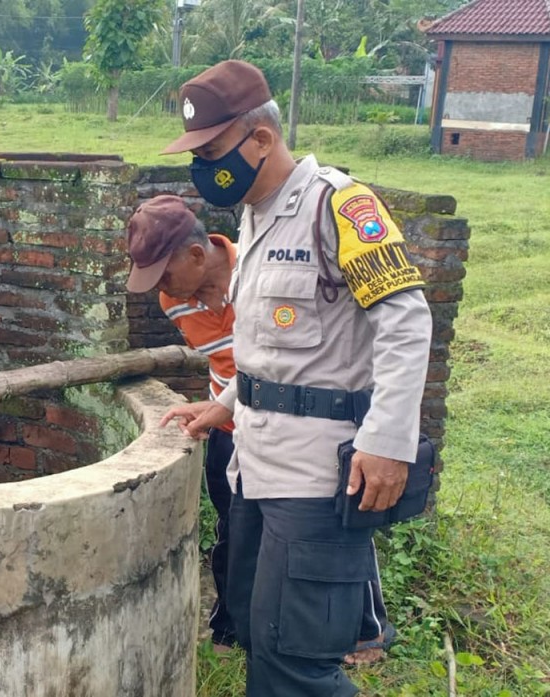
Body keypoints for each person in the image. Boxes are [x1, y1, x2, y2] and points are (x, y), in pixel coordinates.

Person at [157, 60, 431, 696]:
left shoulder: (337, 206)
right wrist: (224, 406)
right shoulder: (257, 216)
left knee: (296, 667)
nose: (203, 168)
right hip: (256, 468)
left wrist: (387, 442)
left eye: (212, 151)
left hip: (314, 481)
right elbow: (270, 355)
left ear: (260, 139)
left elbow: (406, 322)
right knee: (262, 639)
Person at [125, 195, 396, 664]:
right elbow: (227, 359)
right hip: (229, 423)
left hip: (295, 424)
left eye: (163, 275)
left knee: (336, 527)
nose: (160, 289)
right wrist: (216, 407)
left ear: (196, 255)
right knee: (236, 526)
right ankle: (235, 622)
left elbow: (278, 358)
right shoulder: (174, 301)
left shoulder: (257, 273)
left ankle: (365, 630)